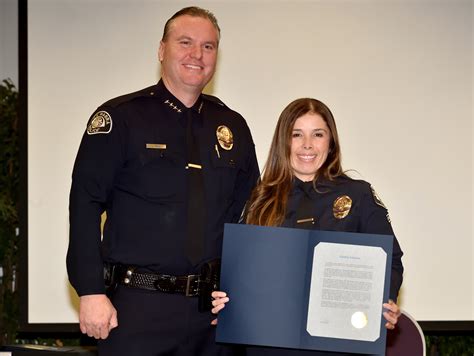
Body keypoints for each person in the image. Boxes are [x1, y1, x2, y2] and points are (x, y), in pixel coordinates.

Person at [67, 6, 259, 356]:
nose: (196, 55)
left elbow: (248, 217)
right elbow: (85, 204)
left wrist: (243, 293)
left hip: (212, 316)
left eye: (208, 46)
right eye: (185, 42)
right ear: (161, 50)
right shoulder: (120, 118)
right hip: (138, 311)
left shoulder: (232, 126)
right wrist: (90, 291)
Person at [211, 98, 404, 355]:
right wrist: (224, 299)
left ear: (331, 142)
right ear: (283, 141)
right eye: (296, 134)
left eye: (318, 134)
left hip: (339, 344)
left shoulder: (358, 195)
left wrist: (384, 301)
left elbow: (390, 260)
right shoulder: (258, 198)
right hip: (269, 345)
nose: (307, 145)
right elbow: (238, 268)